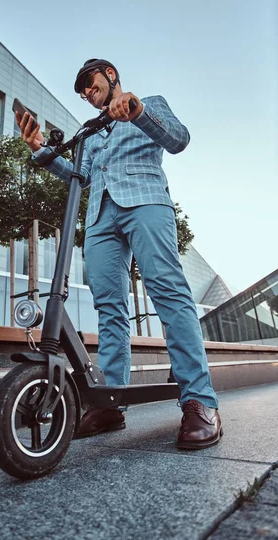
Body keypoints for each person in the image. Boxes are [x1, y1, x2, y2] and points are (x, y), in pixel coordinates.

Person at [16, 58, 223, 450]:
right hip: (100, 216)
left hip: (145, 201)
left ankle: (200, 402)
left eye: (91, 86)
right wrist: (40, 150)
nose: (88, 96)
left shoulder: (149, 102)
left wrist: (138, 110)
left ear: (111, 76)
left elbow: (178, 139)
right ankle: (109, 404)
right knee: (109, 306)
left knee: (168, 292)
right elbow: (83, 175)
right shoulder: (91, 132)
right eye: (82, 94)